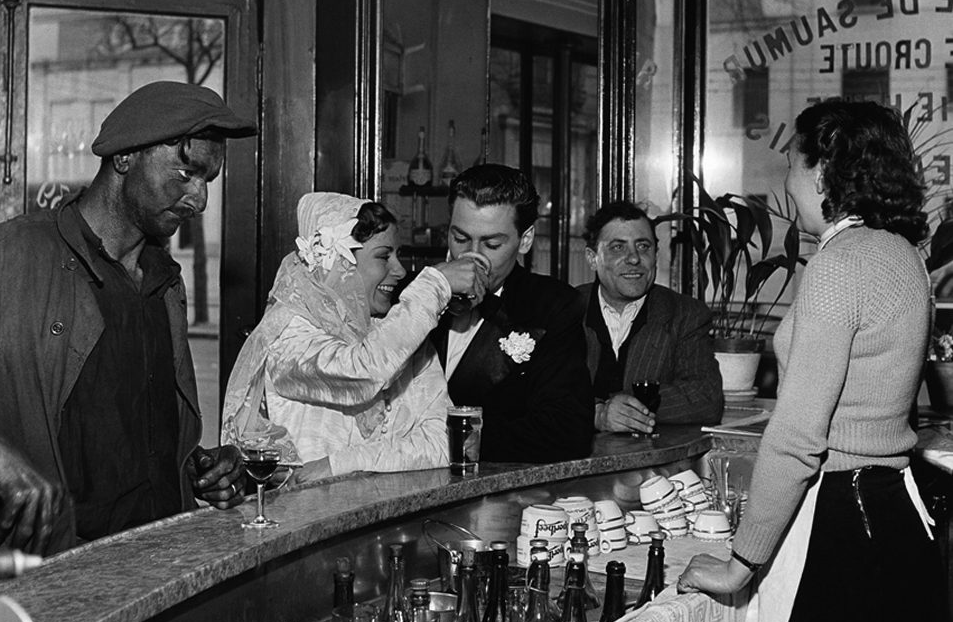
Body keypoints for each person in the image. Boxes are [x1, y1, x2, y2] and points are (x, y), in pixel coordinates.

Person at [677, 100, 951, 622]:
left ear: (824, 171)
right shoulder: (904, 254)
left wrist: (740, 564)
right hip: (896, 517)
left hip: (841, 524)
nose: (789, 182)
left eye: (794, 165)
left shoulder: (839, 263)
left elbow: (799, 439)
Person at [0, 80, 258, 556]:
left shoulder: (163, 283)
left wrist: (199, 470)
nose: (200, 200)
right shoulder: (3, 260)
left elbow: (124, 438)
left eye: (208, 181)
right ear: (125, 157)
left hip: (157, 567)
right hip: (49, 578)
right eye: (186, 173)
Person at [222, 192, 488, 479]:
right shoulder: (287, 336)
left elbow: (445, 443)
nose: (400, 270)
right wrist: (435, 284)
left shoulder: (400, 334)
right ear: (340, 262)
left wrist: (337, 464)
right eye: (384, 256)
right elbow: (364, 370)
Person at [429, 163, 594, 462]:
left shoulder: (553, 306)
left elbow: (567, 432)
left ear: (525, 240)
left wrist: (459, 439)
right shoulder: (414, 294)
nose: (471, 255)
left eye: (491, 244)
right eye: (460, 238)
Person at [576, 200, 723, 435]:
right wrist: (597, 413)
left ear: (656, 253)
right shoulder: (564, 309)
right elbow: (537, 392)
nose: (634, 259)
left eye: (643, 246)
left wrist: (623, 406)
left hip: (652, 465)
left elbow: (706, 397)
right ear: (593, 258)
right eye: (618, 247)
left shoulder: (685, 315)